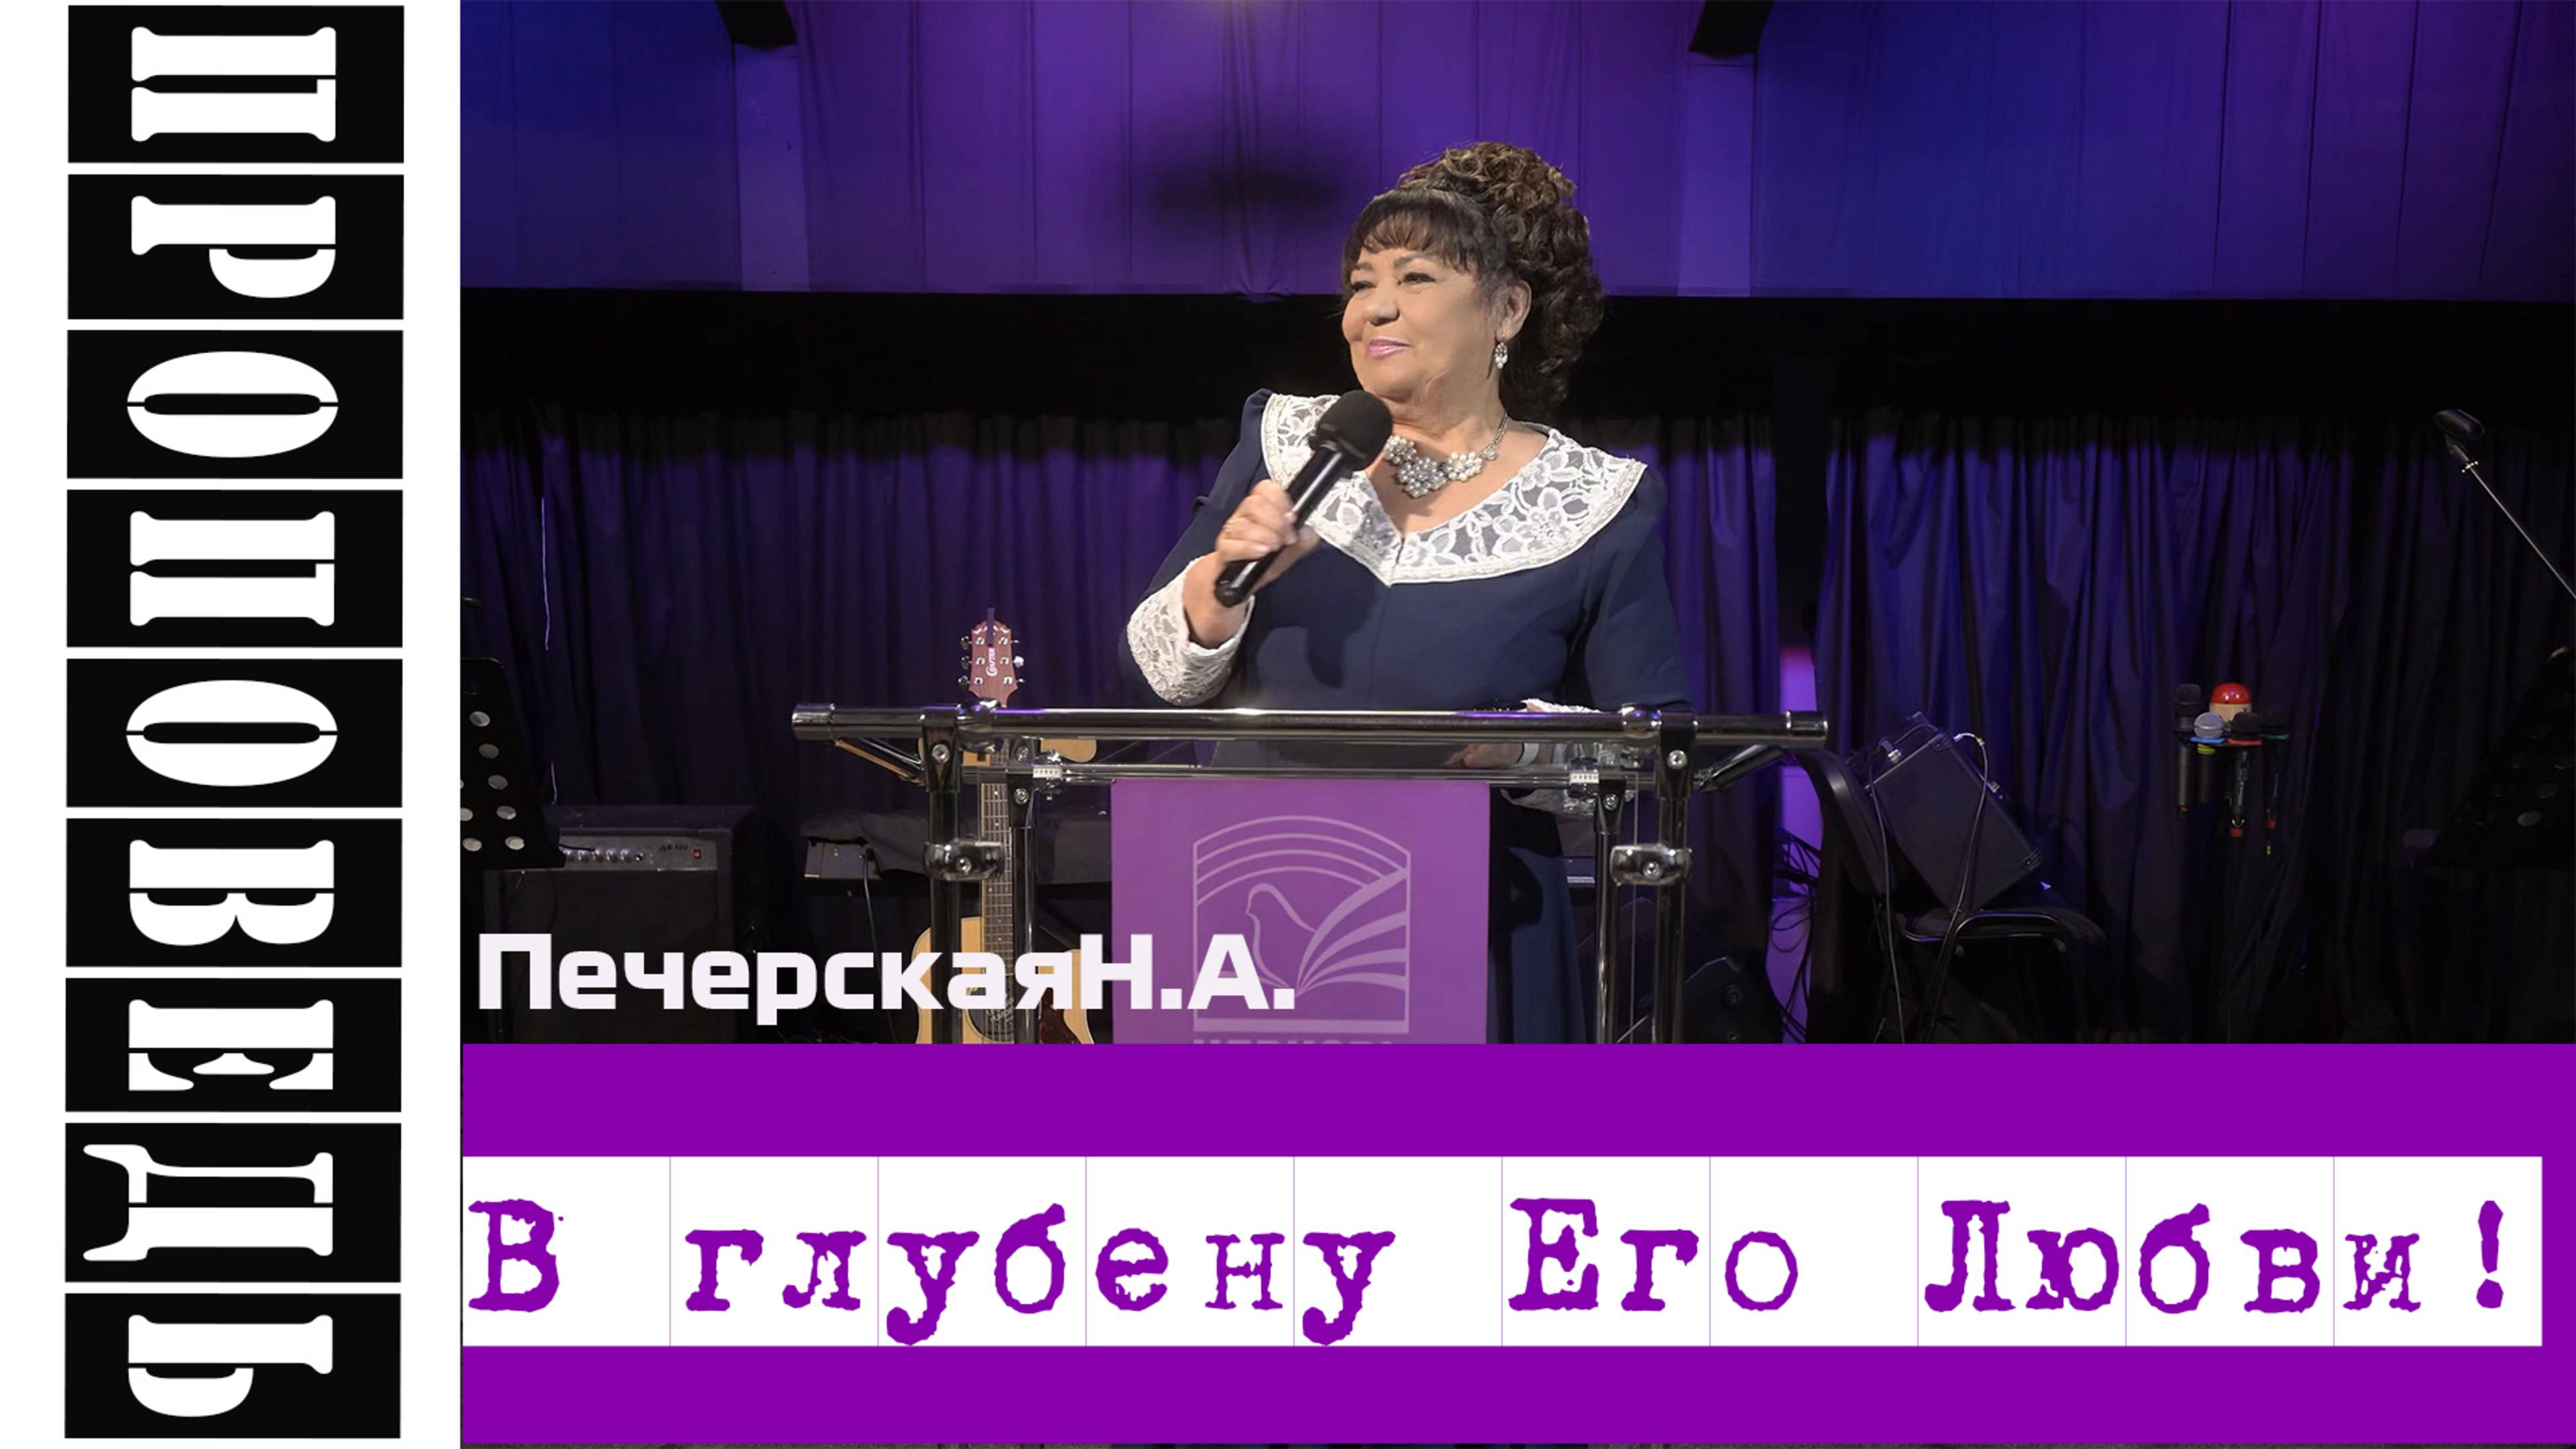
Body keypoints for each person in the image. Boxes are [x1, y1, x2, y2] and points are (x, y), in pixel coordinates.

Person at [1118, 141, 1692, 1043]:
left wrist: (1524, 751)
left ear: (1507, 309)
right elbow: (1156, 675)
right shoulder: (1285, 442)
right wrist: (1219, 594)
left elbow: (1652, 745)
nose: (1372, 309)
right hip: (1251, 893)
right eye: (1360, 283)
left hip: (1481, 928)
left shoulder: (1595, 500)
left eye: (1415, 278)